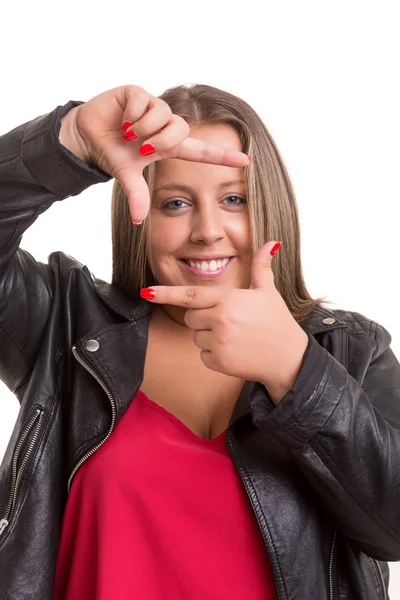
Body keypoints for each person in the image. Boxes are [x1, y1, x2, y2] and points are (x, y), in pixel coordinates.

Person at [0, 83, 398, 600]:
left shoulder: (350, 349)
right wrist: (68, 142)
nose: (208, 230)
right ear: (140, 216)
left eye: (234, 199)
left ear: (269, 208)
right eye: (175, 203)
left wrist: (296, 373)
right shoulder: (64, 324)